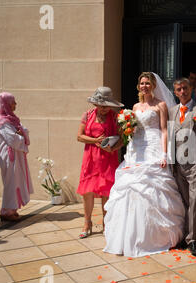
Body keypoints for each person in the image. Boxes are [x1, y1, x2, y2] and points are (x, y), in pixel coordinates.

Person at [103, 72, 185, 258]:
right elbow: (131, 131)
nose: (144, 86)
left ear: (154, 85)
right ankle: (127, 236)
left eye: (148, 83)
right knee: (130, 189)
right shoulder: (134, 106)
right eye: (142, 83)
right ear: (138, 86)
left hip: (154, 148)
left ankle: (153, 236)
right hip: (135, 149)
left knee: (151, 188)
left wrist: (164, 154)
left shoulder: (160, 105)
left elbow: (164, 130)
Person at [169, 77, 196, 257]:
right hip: (178, 165)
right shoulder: (172, 111)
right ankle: (185, 236)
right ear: (175, 92)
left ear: (191, 88)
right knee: (185, 202)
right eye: (178, 89)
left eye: (185, 88)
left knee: (194, 203)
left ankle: (193, 239)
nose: (182, 92)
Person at [77, 87, 124, 239]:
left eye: (107, 105)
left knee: (106, 192)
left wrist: (113, 148)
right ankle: (87, 222)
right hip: (90, 158)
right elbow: (79, 136)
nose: (104, 109)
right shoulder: (88, 115)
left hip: (108, 158)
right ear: (96, 104)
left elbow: (122, 139)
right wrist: (95, 140)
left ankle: (106, 223)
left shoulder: (115, 117)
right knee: (88, 192)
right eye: (102, 105)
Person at [0, 92, 34, 222]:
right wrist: (22, 135)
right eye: (12, 102)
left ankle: (12, 209)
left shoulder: (11, 119)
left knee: (15, 181)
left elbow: (23, 131)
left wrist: (21, 133)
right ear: (6, 104)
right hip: (9, 156)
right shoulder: (2, 121)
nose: (15, 104)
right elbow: (13, 139)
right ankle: (6, 211)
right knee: (10, 182)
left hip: (15, 154)